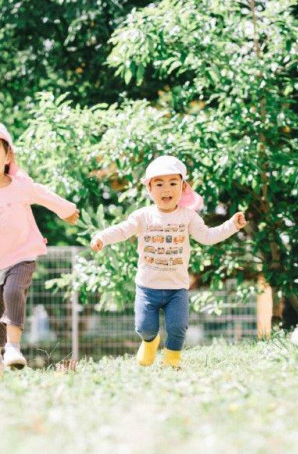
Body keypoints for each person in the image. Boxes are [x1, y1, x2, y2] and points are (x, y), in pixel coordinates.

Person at [90, 155, 246, 369]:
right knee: (144, 327)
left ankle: (172, 361)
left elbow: (208, 237)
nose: (167, 189)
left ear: (183, 187)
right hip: (147, 287)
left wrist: (232, 225)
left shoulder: (188, 216)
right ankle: (150, 342)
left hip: (176, 288)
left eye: (173, 183)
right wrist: (102, 237)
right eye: (160, 184)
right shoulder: (143, 216)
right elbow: (122, 230)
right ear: (149, 189)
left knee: (178, 327)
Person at [0, 122, 79, 375]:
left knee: (13, 291)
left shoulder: (19, 185)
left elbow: (44, 195)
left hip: (21, 254)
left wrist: (67, 210)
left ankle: (13, 347)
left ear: (7, 156)